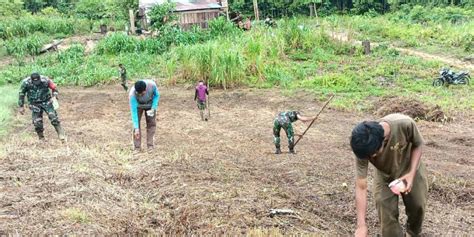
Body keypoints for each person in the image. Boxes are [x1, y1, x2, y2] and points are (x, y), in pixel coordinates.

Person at [350, 113, 428, 237]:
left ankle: (412, 232)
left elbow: (418, 144)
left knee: (417, 206)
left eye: (373, 155)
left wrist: (411, 174)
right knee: (385, 213)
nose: (371, 158)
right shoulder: (363, 148)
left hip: (410, 168)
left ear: (383, 140)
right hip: (384, 175)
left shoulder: (404, 123)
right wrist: (361, 225)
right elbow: (361, 186)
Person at [18, 72, 65, 141]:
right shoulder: (26, 83)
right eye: (35, 81)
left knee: (53, 117)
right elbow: (21, 94)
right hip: (34, 103)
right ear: (31, 80)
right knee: (37, 122)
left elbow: (54, 88)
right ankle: (41, 138)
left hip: (47, 101)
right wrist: (21, 106)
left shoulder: (46, 80)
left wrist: (54, 96)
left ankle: (61, 134)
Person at [129, 80, 160, 151]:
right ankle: (137, 147)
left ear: (145, 90)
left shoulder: (152, 85)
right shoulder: (132, 94)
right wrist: (136, 128)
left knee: (151, 124)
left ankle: (150, 145)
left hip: (150, 104)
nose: (140, 95)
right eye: (138, 94)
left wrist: (153, 107)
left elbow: (157, 95)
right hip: (138, 106)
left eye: (142, 94)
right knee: (136, 126)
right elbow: (134, 113)